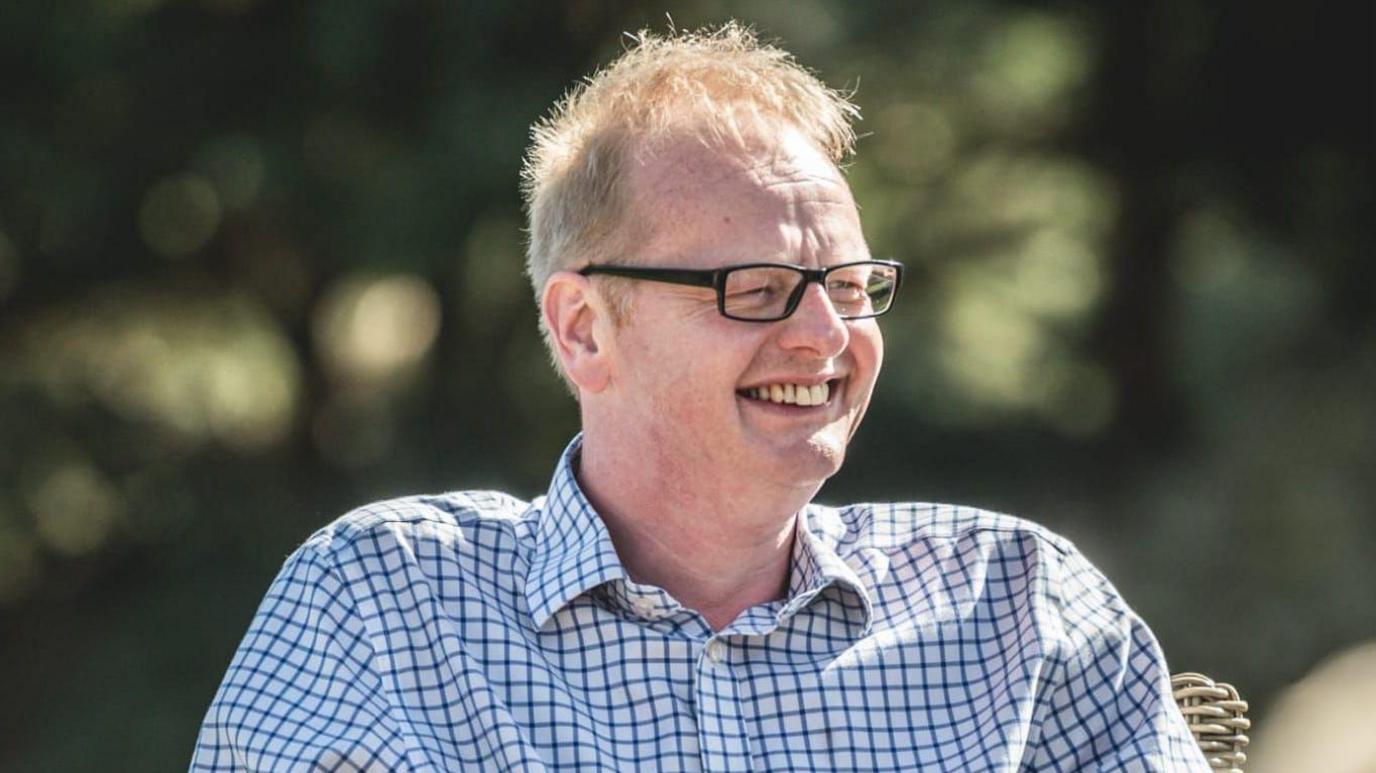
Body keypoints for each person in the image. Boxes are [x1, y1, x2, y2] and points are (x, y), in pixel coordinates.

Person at [193, 23, 1208, 771]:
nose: (824, 335)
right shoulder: (385, 604)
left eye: (849, 287)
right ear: (583, 328)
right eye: (755, 289)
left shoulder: (1017, 606)